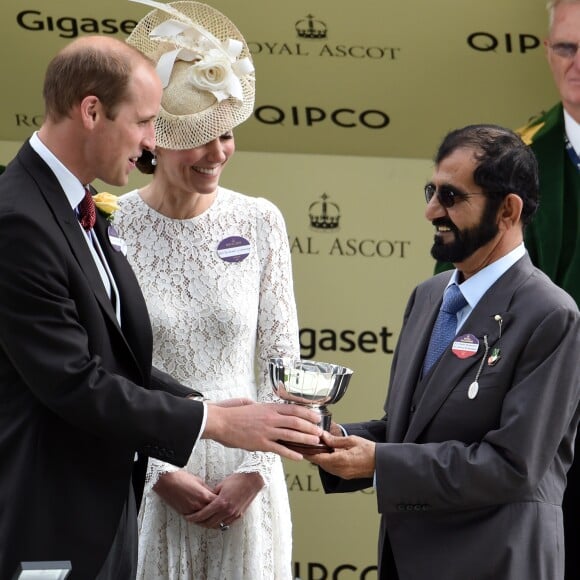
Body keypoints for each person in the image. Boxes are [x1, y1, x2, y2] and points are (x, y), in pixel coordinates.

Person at [0, 34, 322, 580]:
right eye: (147, 121)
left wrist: (226, 419)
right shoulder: (22, 219)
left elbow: (115, 357)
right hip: (55, 518)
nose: (151, 141)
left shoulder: (77, 206)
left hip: (109, 507)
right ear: (92, 111)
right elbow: (76, 382)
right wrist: (212, 421)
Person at [309, 125, 580, 580]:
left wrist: (378, 462)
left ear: (508, 210)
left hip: (498, 562)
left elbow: (514, 467)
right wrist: (328, 436)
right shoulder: (428, 295)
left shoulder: (551, 314)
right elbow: (412, 430)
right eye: (431, 190)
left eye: (452, 197)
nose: (430, 210)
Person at [114, 1, 298, 578]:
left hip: (249, 487)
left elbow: (283, 365)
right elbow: (105, 372)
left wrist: (257, 474)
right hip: (150, 483)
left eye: (227, 134)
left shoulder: (261, 220)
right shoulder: (109, 224)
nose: (218, 153)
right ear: (155, 138)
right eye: (200, 137)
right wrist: (158, 474)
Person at [437, 3, 580, 577]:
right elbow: (465, 296)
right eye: (566, 48)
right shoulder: (510, 165)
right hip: (535, 437)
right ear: (547, 53)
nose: (576, 65)